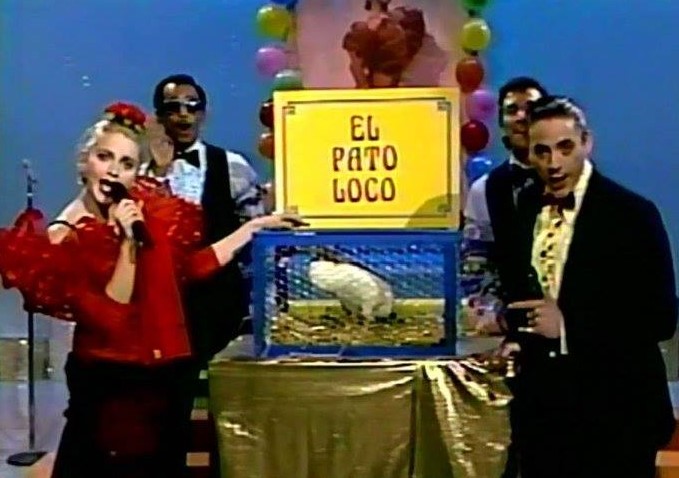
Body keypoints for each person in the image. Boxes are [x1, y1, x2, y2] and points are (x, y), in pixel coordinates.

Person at [0, 102, 301, 478]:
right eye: (105, 157)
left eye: (126, 163)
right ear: (84, 163)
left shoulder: (145, 211)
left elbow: (188, 269)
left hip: (167, 372)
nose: (114, 170)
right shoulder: (68, 233)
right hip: (111, 383)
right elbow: (111, 315)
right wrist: (128, 245)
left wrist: (253, 229)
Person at [504, 95, 677, 477]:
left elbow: (661, 318)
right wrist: (513, 333)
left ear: (587, 143)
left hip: (617, 413)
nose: (554, 163)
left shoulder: (632, 214)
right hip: (544, 414)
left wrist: (569, 327)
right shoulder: (526, 204)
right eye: (542, 151)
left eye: (565, 148)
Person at [462, 77, 547, 478]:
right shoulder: (486, 190)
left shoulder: (577, 185)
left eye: (530, 108)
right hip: (511, 342)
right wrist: (491, 318)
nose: (521, 117)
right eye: (511, 110)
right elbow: (474, 263)